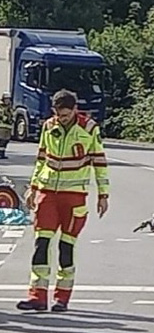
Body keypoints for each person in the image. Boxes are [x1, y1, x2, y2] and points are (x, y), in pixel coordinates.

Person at [18, 89, 109, 312]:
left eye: (66, 115)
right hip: (47, 193)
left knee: (66, 246)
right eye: (58, 114)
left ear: (75, 109)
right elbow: (41, 159)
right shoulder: (49, 126)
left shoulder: (89, 129)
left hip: (74, 196)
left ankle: (62, 297)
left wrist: (103, 194)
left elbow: (99, 162)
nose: (62, 119)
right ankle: (37, 296)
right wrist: (33, 188)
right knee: (41, 244)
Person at [0, 94, 13, 158]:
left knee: (6, 141)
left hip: (8, 127)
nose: (7, 101)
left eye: (8, 99)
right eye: (6, 99)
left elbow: (12, 115)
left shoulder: (9, 107)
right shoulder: (1, 107)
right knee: (1, 141)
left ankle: (2, 153)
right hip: (1, 127)